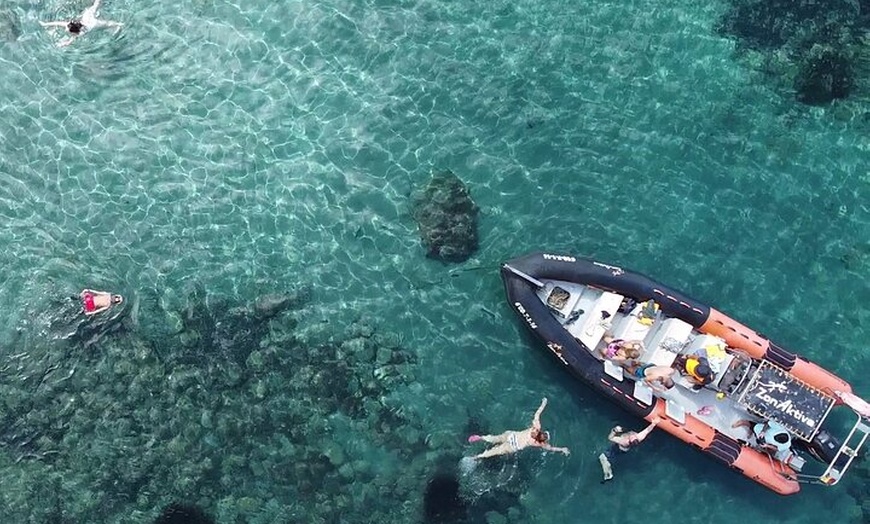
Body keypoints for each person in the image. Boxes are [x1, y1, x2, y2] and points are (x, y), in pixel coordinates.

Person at [466, 398, 570, 459]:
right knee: (494, 452)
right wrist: (562, 449)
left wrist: (543, 404)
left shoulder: (535, 428)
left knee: (495, 438)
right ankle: (476, 457)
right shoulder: (540, 443)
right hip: (513, 446)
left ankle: (482, 438)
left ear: (542, 432)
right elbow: (551, 448)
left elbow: (537, 414)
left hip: (511, 435)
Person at [598, 417, 662, 483]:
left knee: (602, 457)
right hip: (624, 449)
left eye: (632, 437)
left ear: (629, 441)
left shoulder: (623, 441)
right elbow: (647, 430)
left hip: (617, 450)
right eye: (634, 436)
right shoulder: (639, 437)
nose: (633, 435)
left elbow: (610, 438)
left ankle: (608, 476)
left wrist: (614, 430)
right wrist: (654, 423)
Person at [40, 0, 122, 47]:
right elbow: (57, 23)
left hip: (92, 23)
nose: (65, 28)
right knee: (95, 6)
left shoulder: (79, 33)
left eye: (67, 29)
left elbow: (70, 41)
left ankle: (119, 24)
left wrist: (63, 44)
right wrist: (45, 24)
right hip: (86, 18)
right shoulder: (70, 24)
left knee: (108, 24)